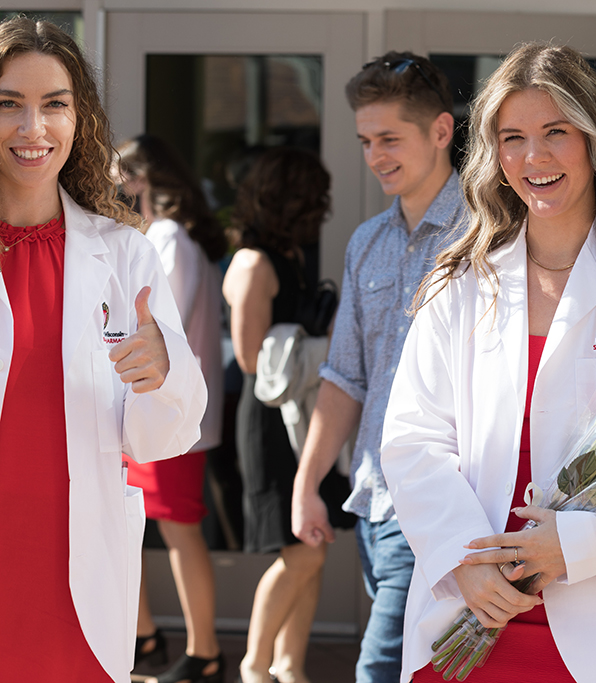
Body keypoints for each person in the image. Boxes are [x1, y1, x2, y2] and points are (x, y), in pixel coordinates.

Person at [379, 43, 596, 683]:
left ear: (592, 141)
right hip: (477, 610)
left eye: (555, 133)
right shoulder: (462, 279)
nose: (533, 157)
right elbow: (412, 437)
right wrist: (464, 558)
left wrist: (574, 545)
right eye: (512, 138)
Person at [0, 16, 206, 683]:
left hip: (73, 568)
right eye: (8, 104)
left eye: (54, 104)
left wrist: (162, 375)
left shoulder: (124, 254)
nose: (34, 128)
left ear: (78, 118)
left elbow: (161, 436)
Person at [290, 51, 464, 683]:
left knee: (380, 667)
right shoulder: (367, 240)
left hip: (448, 504)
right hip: (374, 503)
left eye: (390, 138)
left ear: (441, 131)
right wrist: (309, 483)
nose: (375, 156)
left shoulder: (491, 236)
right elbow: (345, 377)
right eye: (366, 141)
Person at [222, 147, 351, 683]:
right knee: (301, 555)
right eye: (312, 197)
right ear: (288, 199)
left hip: (299, 412)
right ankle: (255, 665)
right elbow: (252, 359)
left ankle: (290, 665)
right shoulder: (254, 262)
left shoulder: (289, 255)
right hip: (271, 419)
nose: (321, 207)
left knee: (313, 549)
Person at [115, 134, 226, 683]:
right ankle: (146, 635)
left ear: (141, 177)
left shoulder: (167, 239)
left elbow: (161, 329)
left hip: (170, 416)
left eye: (119, 174)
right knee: (137, 525)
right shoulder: (174, 237)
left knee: (178, 532)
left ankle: (204, 649)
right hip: (161, 413)